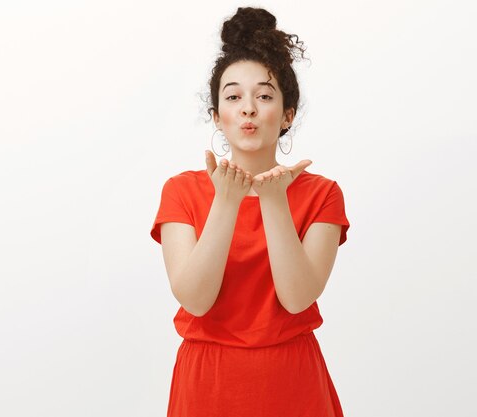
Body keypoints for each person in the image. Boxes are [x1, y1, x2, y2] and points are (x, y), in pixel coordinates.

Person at [150, 6, 350, 417]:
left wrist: (274, 201)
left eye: (263, 95)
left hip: (292, 381)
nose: (248, 108)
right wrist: (226, 201)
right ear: (217, 117)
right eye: (233, 96)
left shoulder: (323, 194)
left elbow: (297, 299)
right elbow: (195, 299)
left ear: (287, 115)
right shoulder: (181, 191)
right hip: (208, 381)